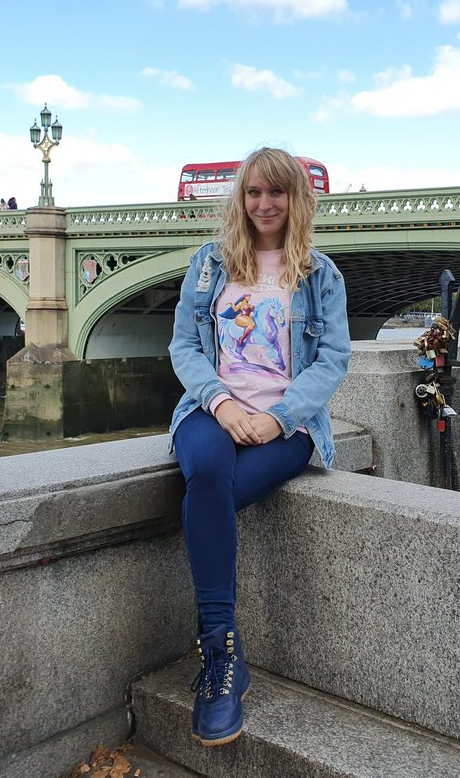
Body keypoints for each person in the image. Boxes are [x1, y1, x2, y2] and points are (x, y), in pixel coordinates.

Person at [167, 147, 351, 747]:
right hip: (209, 411)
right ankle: (223, 655)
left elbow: (333, 359)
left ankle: (219, 657)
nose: (264, 204)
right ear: (240, 200)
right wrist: (221, 403)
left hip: (289, 427)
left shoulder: (320, 274)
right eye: (254, 193)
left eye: (277, 193)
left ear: (297, 200)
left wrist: (280, 418)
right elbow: (183, 348)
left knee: (208, 496)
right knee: (208, 472)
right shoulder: (209, 264)